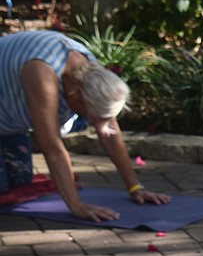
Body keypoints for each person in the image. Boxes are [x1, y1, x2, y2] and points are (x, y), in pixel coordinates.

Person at [0, 30, 171, 221]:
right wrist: (76, 205)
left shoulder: (91, 71)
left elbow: (110, 133)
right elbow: (52, 147)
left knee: (19, 182)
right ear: (77, 96)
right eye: (92, 116)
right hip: (6, 115)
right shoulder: (42, 72)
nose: (94, 123)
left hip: (9, 120)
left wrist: (135, 187)